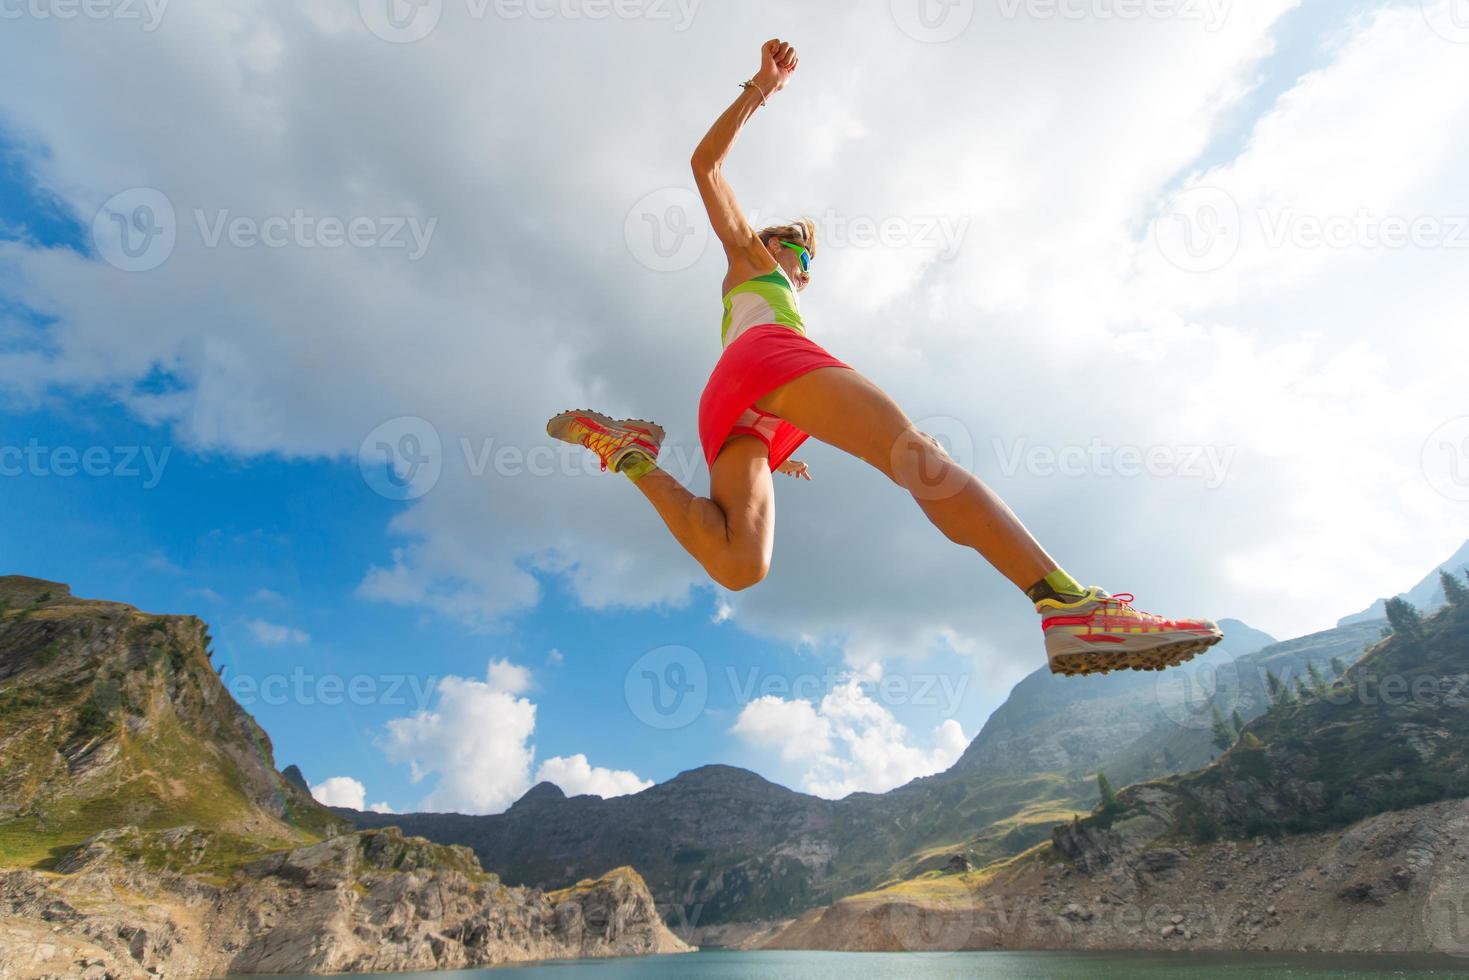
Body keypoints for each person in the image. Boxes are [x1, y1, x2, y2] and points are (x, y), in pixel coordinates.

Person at [548, 39, 1222, 676]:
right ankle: (1070, 604)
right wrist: (762, 88)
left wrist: (787, 436)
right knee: (917, 456)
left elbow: (765, 365)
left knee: (737, 564)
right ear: (772, 244)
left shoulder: (760, 294)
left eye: (805, 257)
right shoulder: (753, 258)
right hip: (765, 366)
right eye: (795, 246)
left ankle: (628, 453)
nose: (800, 259)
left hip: (742, 403)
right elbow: (704, 167)